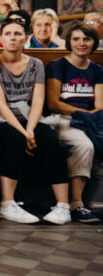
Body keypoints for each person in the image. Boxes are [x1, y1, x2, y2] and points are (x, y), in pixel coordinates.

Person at [0, 19, 70, 224]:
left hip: (30, 115)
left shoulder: (35, 64)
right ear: (1, 38)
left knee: (50, 139)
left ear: (25, 38)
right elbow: (1, 104)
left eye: (17, 34)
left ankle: (63, 205)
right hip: (4, 119)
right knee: (15, 140)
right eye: (8, 34)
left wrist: (31, 129)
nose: (13, 38)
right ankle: (7, 203)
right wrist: (24, 134)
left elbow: (38, 100)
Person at [45, 22, 103, 224]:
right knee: (84, 145)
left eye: (86, 39)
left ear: (94, 42)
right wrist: (83, 113)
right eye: (76, 39)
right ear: (69, 41)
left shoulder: (96, 69)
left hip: (90, 120)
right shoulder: (58, 66)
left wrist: (90, 115)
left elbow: (99, 104)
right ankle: (76, 204)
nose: (81, 43)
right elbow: (54, 102)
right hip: (63, 119)